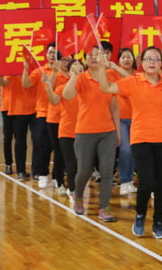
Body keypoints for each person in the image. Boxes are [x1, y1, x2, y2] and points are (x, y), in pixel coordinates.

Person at [97, 46, 162, 239]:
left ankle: (158, 222)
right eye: (149, 59)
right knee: (147, 180)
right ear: (141, 63)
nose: (153, 62)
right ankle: (140, 215)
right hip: (141, 138)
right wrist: (101, 67)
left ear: (161, 64)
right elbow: (106, 88)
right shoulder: (133, 81)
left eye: (156, 59)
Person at [62, 43, 121, 223]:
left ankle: (104, 207)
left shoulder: (110, 76)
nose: (93, 57)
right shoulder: (81, 78)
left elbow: (114, 107)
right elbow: (67, 95)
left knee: (107, 172)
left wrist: (118, 132)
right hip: (85, 132)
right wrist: (74, 75)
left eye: (97, 54)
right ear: (85, 58)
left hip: (107, 132)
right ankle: (78, 195)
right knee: (84, 171)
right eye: (90, 54)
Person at [22, 44, 57, 189]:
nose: (52, 55)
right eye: (50, 52)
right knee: (43, 145)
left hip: (60, 114)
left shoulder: (64, 71)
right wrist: (25, 68)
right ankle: (43, 174)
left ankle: (57, 176)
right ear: (46, 54)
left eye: (55, 53)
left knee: (59, 147)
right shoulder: (39, 71)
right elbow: (26, 84)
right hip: (43, 113)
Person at [105, 48, 138, 195]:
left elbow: (133, 81)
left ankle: (129, 180)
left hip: (137, 118)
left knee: (134, 150)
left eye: (129, 57)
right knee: (125, 149)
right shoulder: (112, 73)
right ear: (118, 60)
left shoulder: (139, 75)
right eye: (123, 57)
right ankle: (124, 181)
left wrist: (116, 67)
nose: (126, 60)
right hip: (121, 119)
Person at [51, 55, 82, 204]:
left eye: (81, 70)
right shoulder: (62, 89)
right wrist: (47, 85)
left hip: (84, 132)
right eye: (74, 70)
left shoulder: (88, 89)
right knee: (71, 164)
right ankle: (73, 191)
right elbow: (53, 100)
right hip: (67, 131)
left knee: (83, 165)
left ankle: (77, 189)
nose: (78, 72)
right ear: (69, 73)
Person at [43, 52, 69, 196]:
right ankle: (59, 183)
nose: (67, 62)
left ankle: (72, 184)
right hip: (55, 119)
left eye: (69, 59)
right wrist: (54, 71)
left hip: (72, 119)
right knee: (59, 151)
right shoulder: (55, 74)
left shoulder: (76, 75)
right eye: (64, 59)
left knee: (71, 153)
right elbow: (50, 87)